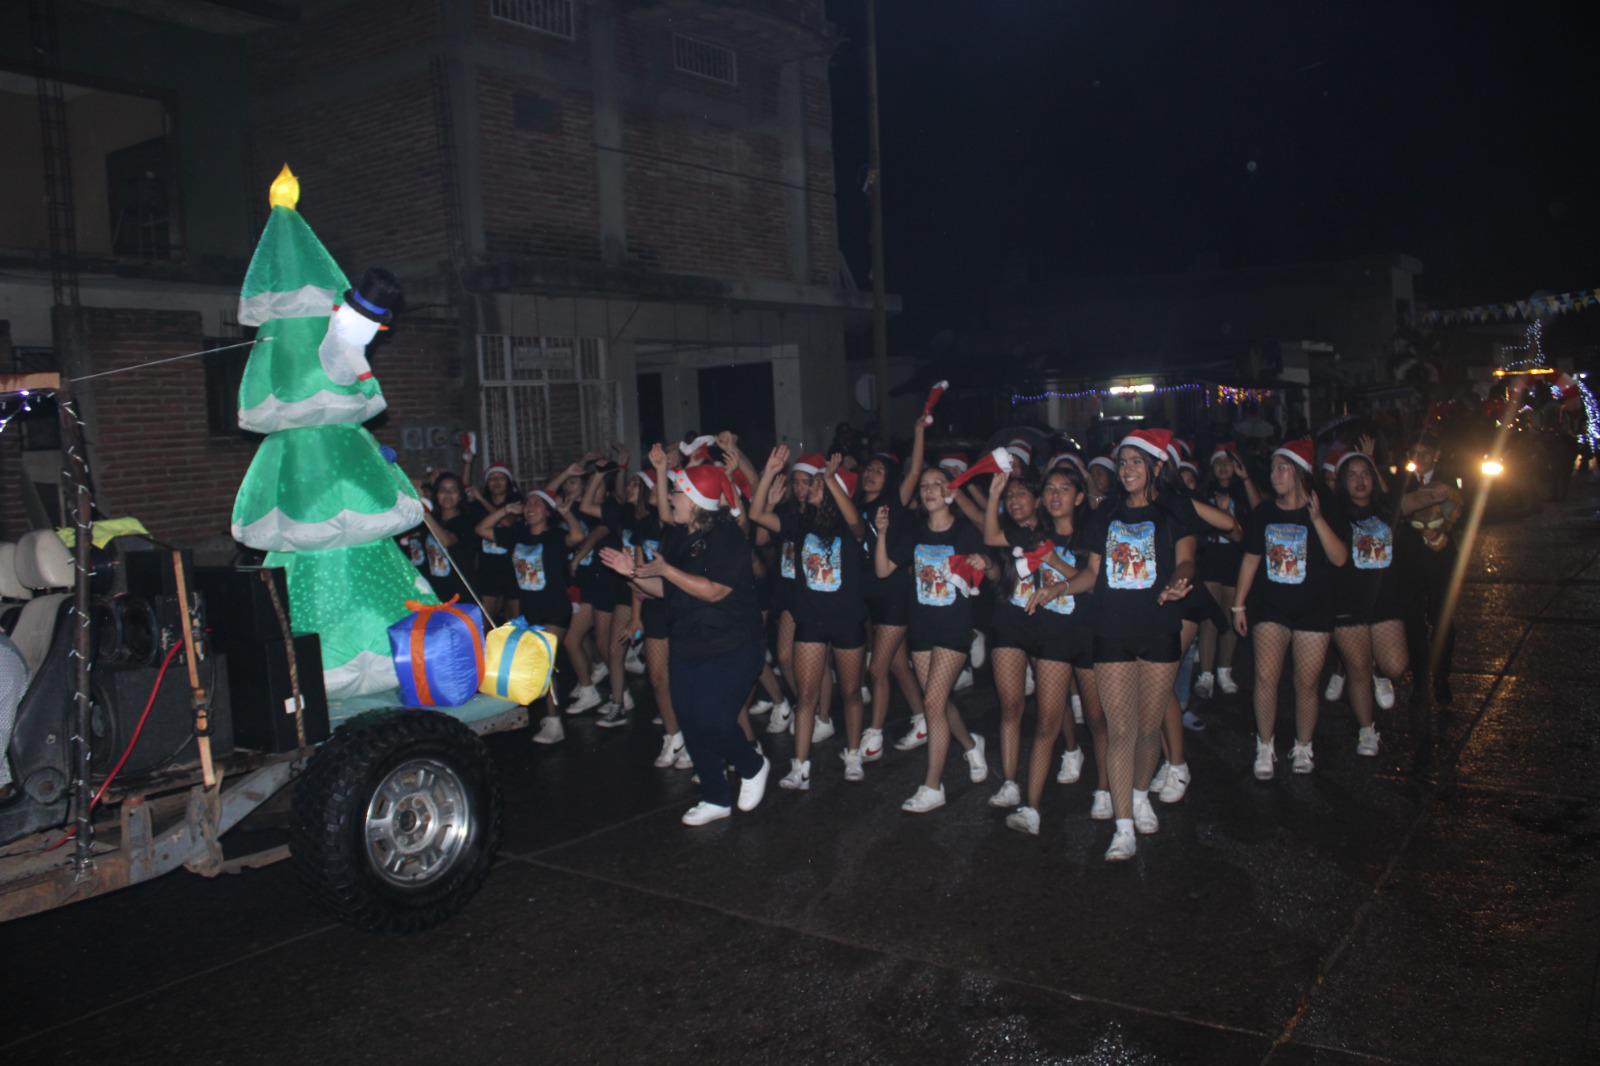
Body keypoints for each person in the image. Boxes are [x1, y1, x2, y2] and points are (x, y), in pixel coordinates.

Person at [601, 462, 771, 826]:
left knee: (713, 718)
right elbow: (665, 588)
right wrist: (631, 574)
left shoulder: (728, 538)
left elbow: (714, 592)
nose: (671, 498)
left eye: (677, 492)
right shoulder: (677, 536)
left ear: (694, 501)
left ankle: (752, 764)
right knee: (689, 719)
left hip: (732, 643)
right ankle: (715, 797)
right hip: (689, 641)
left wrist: (666, 571)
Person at [1058, 428, 1194, 861]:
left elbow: (1188, 559)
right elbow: (1093, 574)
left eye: (1137, 461)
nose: (1128, 469)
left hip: (1158, 628)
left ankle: (1138, 795)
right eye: (1123, 462)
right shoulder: (1105, 515)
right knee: (1120, 731)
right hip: (1111, 629)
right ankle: (1122, 827)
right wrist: (1059, 587)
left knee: (1149, 729)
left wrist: (1177, 583)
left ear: (1156, 467)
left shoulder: (1174, 510)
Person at [874, 464, 990, 813]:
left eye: (937, 484)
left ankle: (932, 785)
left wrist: (982, 561)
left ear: (949, 492)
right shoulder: (914, 532)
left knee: (934, 703)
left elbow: (990, 547)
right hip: (921, 627)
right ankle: (971, 744)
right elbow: (882, 570)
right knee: (936, 702)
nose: (928, 490)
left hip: (954, 628)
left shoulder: (965, 531)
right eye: (924, 485)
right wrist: (881, 533)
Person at [750, 447, 867, 789]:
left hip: (847, 619)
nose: (809, 488)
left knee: (850, 693)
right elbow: (757, 513)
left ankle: (854, 753)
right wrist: (770, 471)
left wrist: (830, 480)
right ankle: (799, 766)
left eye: (815, 483)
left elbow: (857, 525)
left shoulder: (847, 526)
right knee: (806, 694)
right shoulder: (798, 522)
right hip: (811, 620)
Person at [1233, 439, 1350, 779]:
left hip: (1314, 609)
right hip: (1271, 608)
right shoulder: (1264, 512)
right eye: (1272, 468)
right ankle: (1265, 746)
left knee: (1306, 682)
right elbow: (1251, 557)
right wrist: (1239, 604)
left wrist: (1316, 520)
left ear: (1300, 473)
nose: (1275, 475)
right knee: (1266, 677)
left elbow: (1340, 558)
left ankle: (1303, 745)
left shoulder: (1324, 507)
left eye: (1283, 468)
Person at [475, 487, 587, 745]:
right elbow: (481, 530)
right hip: (530, 609)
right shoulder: (517, 535)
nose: (531, 507)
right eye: (528, 503)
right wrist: (505, 510)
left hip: (556, 608)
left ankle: (555, 721)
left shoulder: (556, 536)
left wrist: (567, 514)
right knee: (537, 664)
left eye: (538, 503)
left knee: (542, 661)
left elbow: (578, 535)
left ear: (547, 512)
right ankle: (550, 716)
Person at [1333, 448, 1416, 759]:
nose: (1359, 480)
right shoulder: (1335, 513)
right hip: (1348, 602)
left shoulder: (1387, 509)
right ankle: (1367, 730)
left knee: (1395, 665)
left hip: (1385, 600)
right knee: (1356, 669)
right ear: (1343, 482)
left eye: (1365, 473)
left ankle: (1379, 673)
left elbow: (1412, 500)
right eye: (1352, 475)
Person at [856, 444, 926, 763]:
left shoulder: (893, 505)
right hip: (873, 598)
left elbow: (914, 472)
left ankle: (873, 735)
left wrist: (919, 432)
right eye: (868, 469)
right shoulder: (857, 507)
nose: (870, 474)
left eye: (879, 471)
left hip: (895, 596)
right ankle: (922, 719)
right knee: (898, 664)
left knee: (877, 669)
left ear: (890, 480)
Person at [628, 462, 692, 770]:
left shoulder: (680, 526)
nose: (653, 490)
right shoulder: (643, 526)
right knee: (656, 677)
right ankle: (673, 735)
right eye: (651, 485)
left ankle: (693, 739)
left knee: (683, 678)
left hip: (679, 607)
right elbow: (638, 573)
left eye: (659, 485)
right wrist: (635, 616)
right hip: (653, 607)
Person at [1398, 434, 1460, 708]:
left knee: (1443, 617)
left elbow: (1465, 509)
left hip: (1441, 558)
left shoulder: (1451, 477)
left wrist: (1444, 529)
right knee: (1412, 621)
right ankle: (1420, 680)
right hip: (1410, 560)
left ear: (1436, 454)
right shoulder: (1402, 480)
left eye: (1425, 453)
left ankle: (1442, 678)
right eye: (1414, 452)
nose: (1419, 459)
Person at [1194, 442, 1259, 701]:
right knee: (1210, 619)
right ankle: (1207, 674)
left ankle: (1225, 670)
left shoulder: (1242, 494)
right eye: (1218, 462)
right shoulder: (1203, 494)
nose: (1223, 467)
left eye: (1228, 462)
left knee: (1232, 615)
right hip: (1209, 559)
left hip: (1235, 560)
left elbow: (1259, 512)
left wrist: (1246, 480)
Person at [465, 463, 522, 623]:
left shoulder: (517, 502)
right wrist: (468, 462)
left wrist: (482, 499)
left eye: (501, 478)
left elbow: (507, 522)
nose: (496, 482)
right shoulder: (477, 506)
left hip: (513, 568)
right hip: (488, 568)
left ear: (509, 482)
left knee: (516, 621)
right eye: (492, 478)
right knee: (486, 620)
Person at [419, 472, 479, 606]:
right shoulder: (429, 522)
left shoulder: (466, 521)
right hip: (435, 594)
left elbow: (445, 541)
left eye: (453, 490)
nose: (447, 494)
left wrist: (424, 512)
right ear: (436, 494)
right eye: (443, 490)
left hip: (461, 595)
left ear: (460, 496)